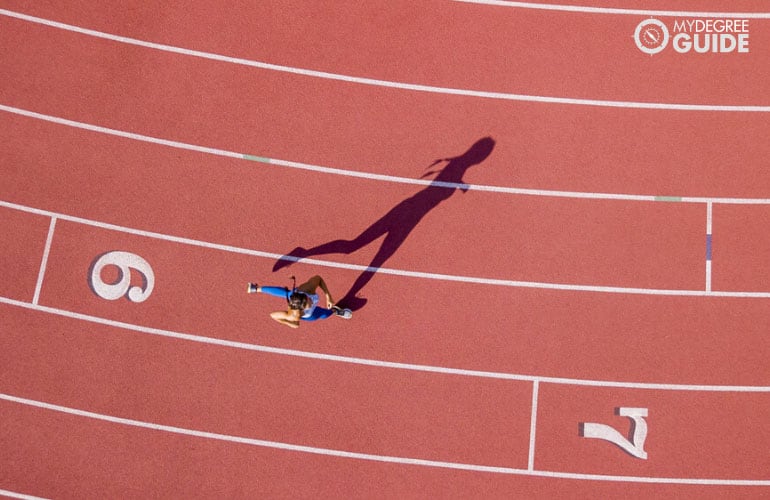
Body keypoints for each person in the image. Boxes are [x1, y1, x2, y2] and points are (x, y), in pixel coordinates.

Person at [247, 275, 352, 328]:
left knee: (287, 293)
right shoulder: (294, 315)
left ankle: (256, 289)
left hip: (295, 295)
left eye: (308, 299)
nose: (311, 301)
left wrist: (328, 295)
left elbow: (318, 278)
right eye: (308, 303)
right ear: (301, 309)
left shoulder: (307, 290)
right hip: (310, 315)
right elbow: (272, 315)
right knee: (324, 315)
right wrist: (289, 323)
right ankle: (335, 311)